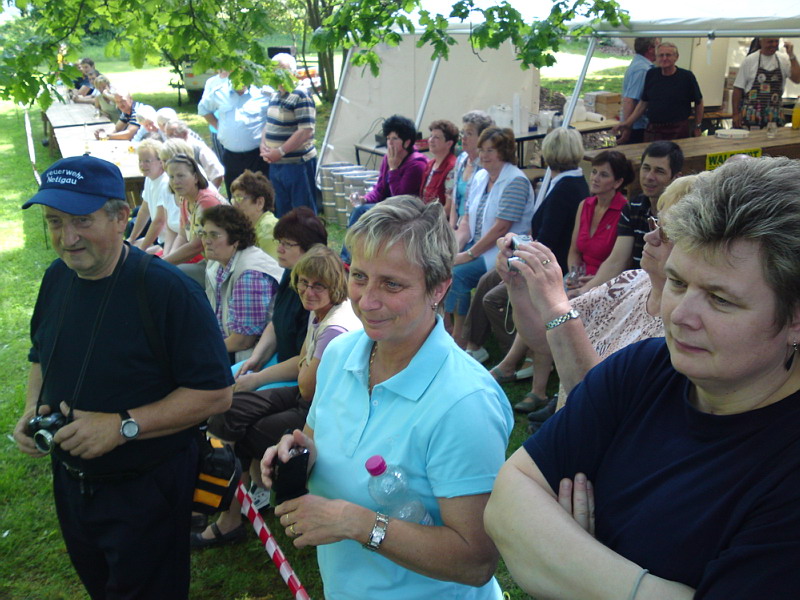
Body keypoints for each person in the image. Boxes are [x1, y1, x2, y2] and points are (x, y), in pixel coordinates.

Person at [485, 156, 800, 598]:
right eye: (677, 283)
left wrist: (568, 561)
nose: (681, 315)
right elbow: (507, 500)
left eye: (720, 299)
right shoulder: (642, 369)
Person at [262, 196, 513, 598]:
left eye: (392, 284)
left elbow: (475, 561)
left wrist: (355, 522)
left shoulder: (465, 403)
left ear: (439, 288)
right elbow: (313, 436)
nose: (367, 300)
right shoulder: (341, 355)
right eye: (360, 276)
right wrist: (296, 453)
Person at [13, 155, 233, 599]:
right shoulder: (57, 277)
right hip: (71, 482)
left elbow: (215, 394)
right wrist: (32, 407)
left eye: (82, 221)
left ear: (120, 218)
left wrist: (121, 425)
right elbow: (40, 353)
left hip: (146, 488)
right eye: (55, 222)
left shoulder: (169, 292)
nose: (67, 238)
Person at [194, 244, 361, 547]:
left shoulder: (336, 326)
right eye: (303, 282)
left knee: (247, 433)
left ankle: (232, 512)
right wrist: (257, 377)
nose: (308, 291)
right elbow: (303, 362)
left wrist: (303, 365)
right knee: (228, 409)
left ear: (335, 286)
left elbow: (308, 386)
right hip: (305, 395)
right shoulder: (319, 312)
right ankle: (223, 502)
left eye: (318, 285)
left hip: (321, 409)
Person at [502, 174, 698, 422]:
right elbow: (545, 340)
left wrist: (556, 305)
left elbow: (600, 406)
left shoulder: (684, 324)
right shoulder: (631, 281)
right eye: (654, 224)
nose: (649, 237)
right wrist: (517, 286)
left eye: (666, 233)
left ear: (697, 247)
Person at [462, 126, 588, 365]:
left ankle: (524, 354)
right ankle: (473, 344)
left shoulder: (565, 189)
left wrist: (518, 252)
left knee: (493, 298)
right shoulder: (564, 182)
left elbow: (548, 240)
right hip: (540, 257)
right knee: (487, 280)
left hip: (549, 266)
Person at [447, 127, 535, 348]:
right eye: (482, 150)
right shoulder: (480, 177)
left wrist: (467, 255)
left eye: (490, 150)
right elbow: (466, 219)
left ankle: (461, 338)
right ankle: (446, 326)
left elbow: (501, 228)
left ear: (503, 152)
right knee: (443, 265)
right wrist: (455, 249)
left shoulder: (515, 181)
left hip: (503, 251)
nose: (484, 155)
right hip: (476, 245)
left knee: (458, 275)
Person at [232, 207, 329, 392]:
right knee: (225, 379)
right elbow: (276, 323)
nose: (279, 248)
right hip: (278, 361)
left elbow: (305, 360)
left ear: (310, 249)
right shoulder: (291, 272)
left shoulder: (317, 294)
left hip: (297, 375)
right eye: (279, 241)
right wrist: (256, 358)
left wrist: (257, 379)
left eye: (287, 244)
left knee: (239, 399)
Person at [570, 141, 682, 296]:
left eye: (659, 171)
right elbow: (617, 260)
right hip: (634, 291)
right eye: (646, 168)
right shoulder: (632, 207)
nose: (649, 177)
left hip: (666, 292)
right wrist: (583, 291)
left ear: (676, 177)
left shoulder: (681, 215)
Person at [200, 204, 283, 363]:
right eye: (203, 234)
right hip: (229, 346)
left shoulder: (250, 275)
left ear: (235, 240)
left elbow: (243, 341)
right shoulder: (216, 263)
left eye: (214, 235)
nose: (206, 241)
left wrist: (203, 350)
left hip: (253, 358)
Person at [340, 114, 427, 264]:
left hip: (407, 211)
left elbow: (401, 199)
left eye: (395, 139)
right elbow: (380, 189)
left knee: (362, 212)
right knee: (360, 209)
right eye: (388, 138)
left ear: (407, 142)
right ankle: (350, 256)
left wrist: (393, 170)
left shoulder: (417, 165)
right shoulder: (389, 158)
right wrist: (364, 199)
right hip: (389, 206)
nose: (390, 143)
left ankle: (347, 260)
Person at [565, 150, 634, 297]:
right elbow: (574, 250)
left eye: (603, 175)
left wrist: (595, 281)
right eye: (594, 172)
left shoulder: (625, 211)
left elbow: (623, 263)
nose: (595, 178)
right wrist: (574, 275)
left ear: (618, 182)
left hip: (607, 283)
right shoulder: (585, 205)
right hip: (579, 279)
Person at [260, 53, 319, 217]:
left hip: (297, 164)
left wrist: (280, 151)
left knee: (303, 212)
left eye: (282, 69)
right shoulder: (274, 95)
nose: (278, 74)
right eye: (274, 70)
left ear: (293, 72)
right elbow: (269, 123)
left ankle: (308, 235)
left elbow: (306, 130)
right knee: (282, 212)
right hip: (276, 165)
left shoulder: (301, 94)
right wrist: (263, 145)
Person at [613, 42, 704, 141]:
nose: (664, 58)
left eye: (668, 55)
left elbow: (699, 102)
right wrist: (627, 123)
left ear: (676, 57)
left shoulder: (686, 76)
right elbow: (644, 102)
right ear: (656, 57)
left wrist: (697, 126)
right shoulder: (651, 74)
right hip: (654, 129)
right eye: (661, 55)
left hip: (678, 130)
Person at [198, 79, 271, 197]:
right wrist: (219, 127)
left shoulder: (263, 92)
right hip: (231, 157)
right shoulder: (219, 92)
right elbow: (203, 109)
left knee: (260, 194)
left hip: (257, 156)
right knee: (235, 195)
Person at [161, 154, 226, 284]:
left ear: (195, 177)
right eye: (171, 177)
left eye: (181, 176)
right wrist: (167, 261)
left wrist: (163, 264)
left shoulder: (207, 202)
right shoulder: (185, 199)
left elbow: (196, 246)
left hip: (225, 265)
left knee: (172, 276)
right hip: (211, 262)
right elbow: (182, 235)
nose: (175, 181)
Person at [127, 139, 181, 255]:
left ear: (161, 161)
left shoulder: (165, 183)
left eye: (147, 161)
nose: (142, 165)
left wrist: (142, 250)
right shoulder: (149, 179)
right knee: (124, 249)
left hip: (170, 241)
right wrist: (131, 239)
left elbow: (159, 221)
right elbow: (144, 211)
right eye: (140, 161)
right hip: (159, 239)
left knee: (133, 256)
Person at [732, 38, 800, 129]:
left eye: (776, 41)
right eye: (770, 42)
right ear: (761, 42)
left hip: (774, 117)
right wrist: (735, 114)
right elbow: (737, 89)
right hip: (751, 117)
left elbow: (797, 79)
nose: (774, 44)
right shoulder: (750, 60)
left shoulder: (783, 60)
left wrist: (791, 56)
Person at [449, 110, 494, 229]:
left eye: (469, 133)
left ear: (482, 137)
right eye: (462, 133)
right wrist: (451, 229)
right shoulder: (461, 159)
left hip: (476, 227)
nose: (463, 138)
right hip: (459, 226)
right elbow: (454, 200)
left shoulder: (487, 164)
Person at [230, 168, 279, 259]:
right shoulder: (249, 227)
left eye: (239, 198)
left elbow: (270, 266)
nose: (234, 205)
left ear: (260, 203)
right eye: (233, 199)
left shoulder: (268, 228)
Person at [618, 37, 658, 144]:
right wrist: (627, 129)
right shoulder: (643, 69)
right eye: (658, 47)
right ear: (650, 49)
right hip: (636, 127)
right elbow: (630, 100)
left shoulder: (641, 65)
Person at [165, 118, 225, 188]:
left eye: (172, 135)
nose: (169, 139)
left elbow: (217, 175)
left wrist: (208, 192)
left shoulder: (199, 149)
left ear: (185, 134)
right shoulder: (172, 149)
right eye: (167, 136)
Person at [419, 119, 458, 213]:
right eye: (431, 136)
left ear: (449, 144)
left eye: (436, 137)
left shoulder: (452, 168)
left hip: (439, 219)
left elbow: (448, 208)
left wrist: (426, 219)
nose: (431, 140)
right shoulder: (430, 164)